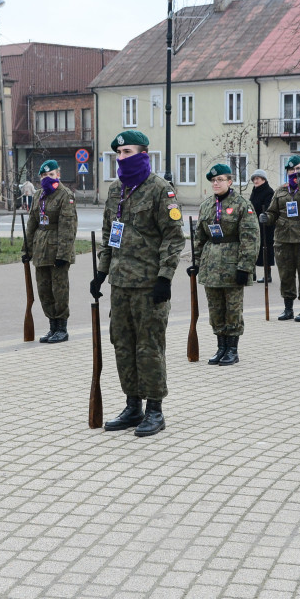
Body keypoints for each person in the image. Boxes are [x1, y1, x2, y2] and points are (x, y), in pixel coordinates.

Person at [90, 130, 185, 437]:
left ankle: (155, 410)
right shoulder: (116, 190)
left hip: (148, 285)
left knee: (149, 347)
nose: (121, 158)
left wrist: (165, 278)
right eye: (118, 153)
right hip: (120, 284)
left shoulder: (160, 190)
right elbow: (109, 234)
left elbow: (173, 237)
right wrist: (102, 272)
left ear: (143, 153)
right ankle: (133, 406)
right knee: (123, 345)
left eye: (127, 152)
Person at [188, 164, 260, 365]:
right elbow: (199, 238)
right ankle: (220, 347)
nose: (216, 183)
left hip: (232, 264)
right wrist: (196, 262)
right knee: (215, 308)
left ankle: (232, 349)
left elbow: (250, 238)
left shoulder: (242, 205)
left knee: (233, 309)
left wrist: (245, 267)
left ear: (230, 181)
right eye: (213, 180)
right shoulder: (206, 205)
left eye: (220, 180)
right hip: (211, 266)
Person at [22, 160, 78, 343]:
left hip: (57, 253)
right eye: (44, 176)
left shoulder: (65, 195)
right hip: (40, 252)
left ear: (58, 175)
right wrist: (27, 249)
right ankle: (52, 326)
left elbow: (68, 228)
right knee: (44, 290)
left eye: (51, 175)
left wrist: (63, 254)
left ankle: (62, 328)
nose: (47, 178)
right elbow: (32, 225)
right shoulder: (38, 195)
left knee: (59, 291)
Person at [260, 155, 300, 322]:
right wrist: (267, 217)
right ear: (287, 171)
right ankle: (288, 309)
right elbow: (273, 212)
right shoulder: (280, 190)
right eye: (292, 169)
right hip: (283, 238)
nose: (295, 172)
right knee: (286, 274)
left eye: (298, 169)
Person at [248, 169, 274, 283]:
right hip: (253, 224)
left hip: (265, 225)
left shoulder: (269, 192)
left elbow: (269, 208)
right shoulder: (255, 191)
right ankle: (252, 274)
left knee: (265, 249)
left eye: (257, 178)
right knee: (252, 248)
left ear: (263, 179)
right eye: (254, 179)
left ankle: (267, 275)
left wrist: (263, 216)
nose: (255, 181)